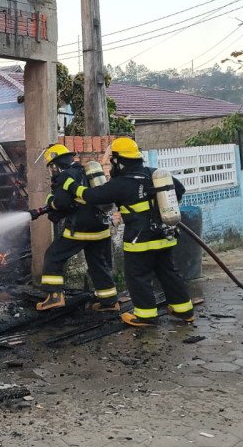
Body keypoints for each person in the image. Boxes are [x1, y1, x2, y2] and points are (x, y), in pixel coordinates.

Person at [62, 137, 194, 328]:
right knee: (168, 273)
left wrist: (70, 185)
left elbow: (92, 196)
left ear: (118, 161)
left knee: (137, 276)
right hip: (164, 237)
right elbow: (179, 189)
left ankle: (146, 316)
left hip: (139, 241)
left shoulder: (121, 183)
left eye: (112, 161)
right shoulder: (154, 174)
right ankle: (185, 311)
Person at [28, 144, 119, 313]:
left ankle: (55, 296)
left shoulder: (66, 176)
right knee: (98, 264)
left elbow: (62, 203)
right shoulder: (86, 171)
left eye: (51, 167)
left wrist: (50, 202)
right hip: (101, 228)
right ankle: (109, 302)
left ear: (55, 165)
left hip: (81, 228)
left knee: (53, 256)